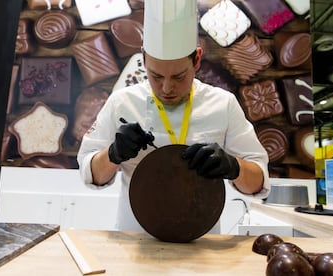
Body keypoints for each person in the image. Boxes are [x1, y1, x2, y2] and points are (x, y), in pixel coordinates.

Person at [77, 0, 270, 232]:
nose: (167, 88)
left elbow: (258, 183)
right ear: (144, 59)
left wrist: (234, 166)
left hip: (202, 243)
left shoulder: (223, 104)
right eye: (156, 76)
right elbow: (90, 175)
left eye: (179, 76)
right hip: (135, 240)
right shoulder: (122, 102)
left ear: (197, 59)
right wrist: (113, 154)